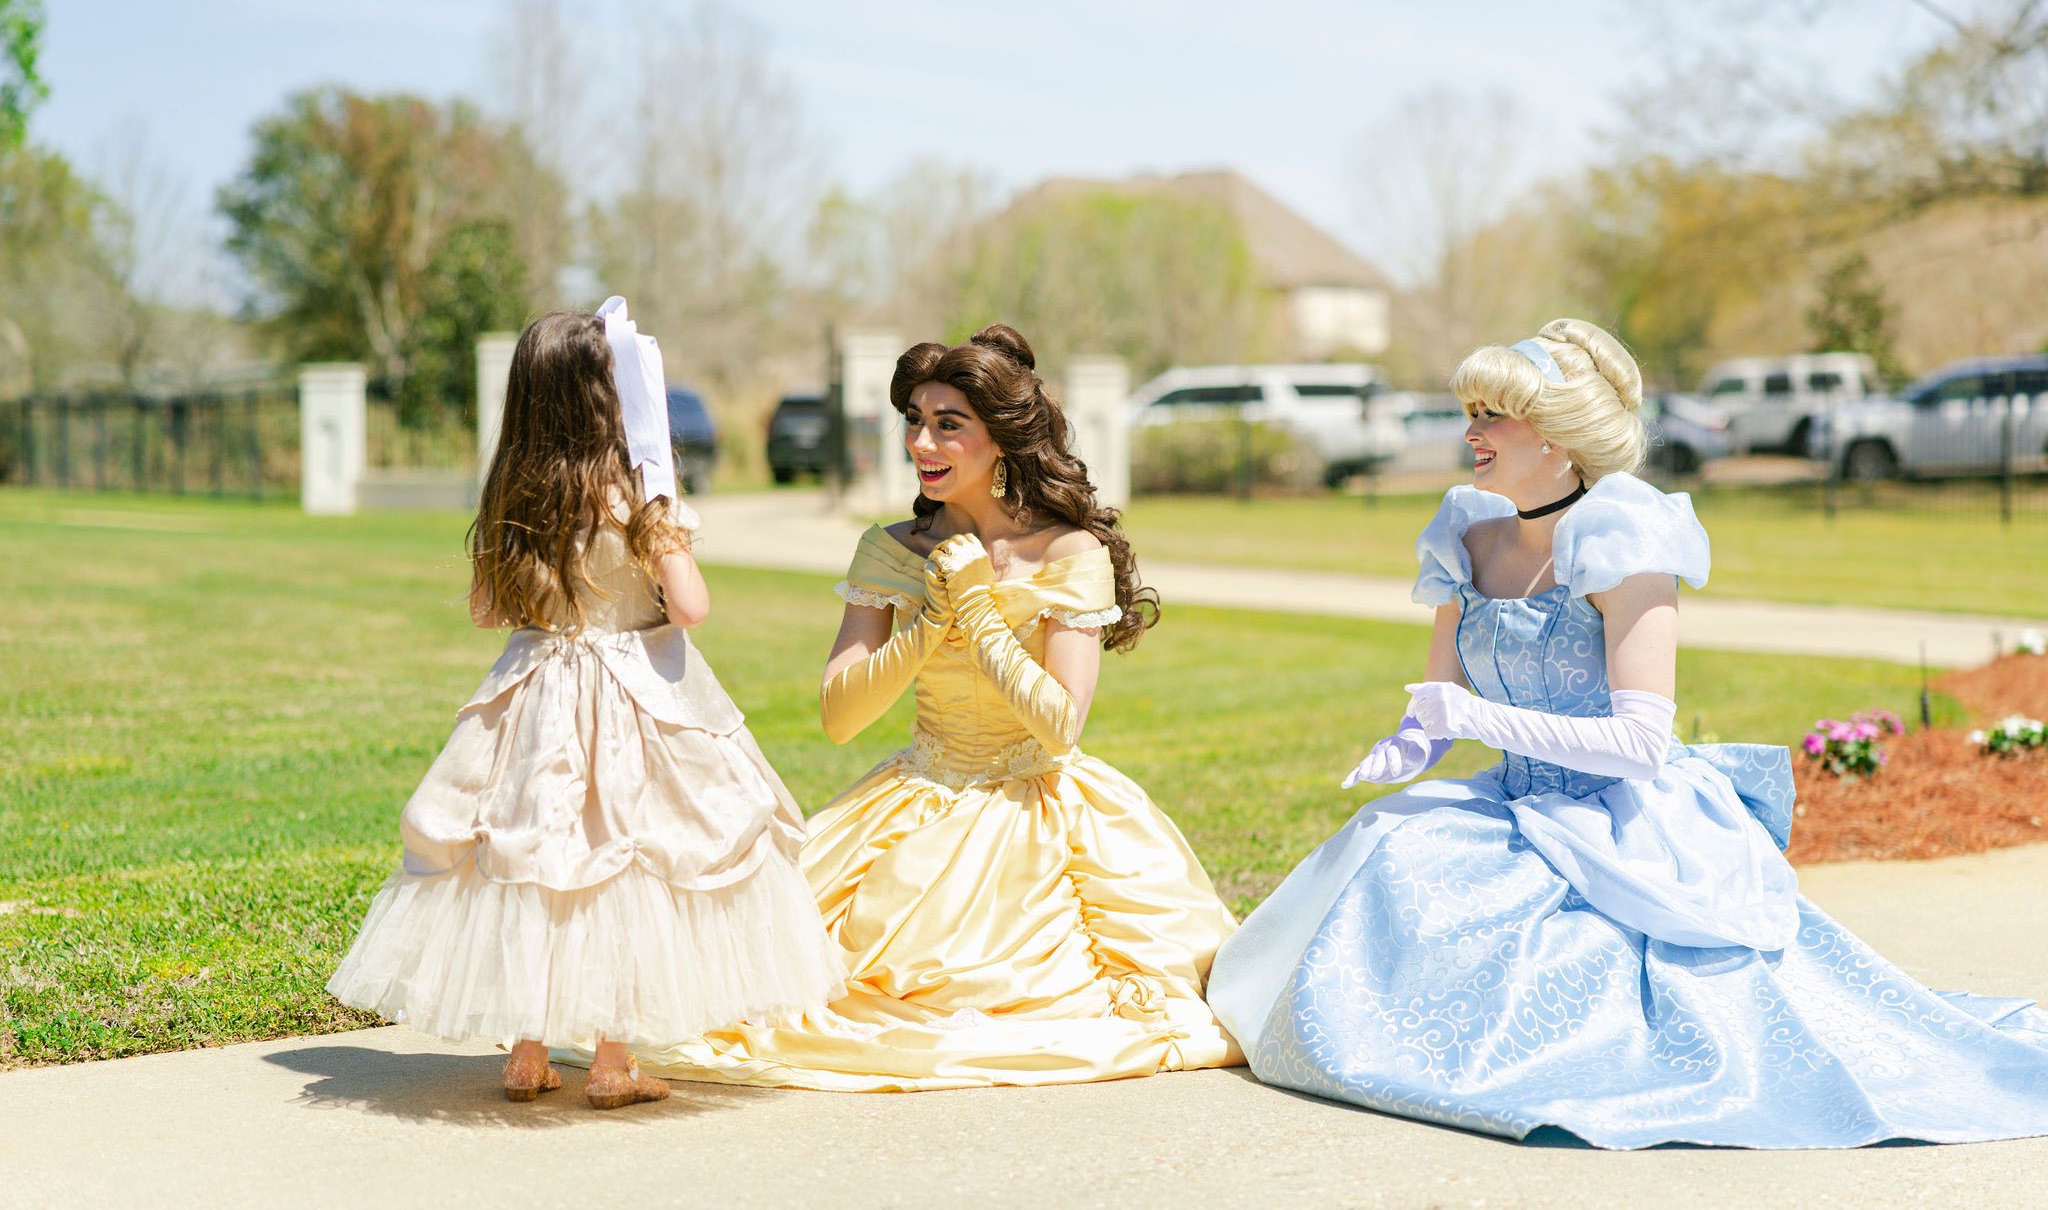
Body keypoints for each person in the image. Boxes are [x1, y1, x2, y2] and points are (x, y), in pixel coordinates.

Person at [1205, 317, 2048, 1149]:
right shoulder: (1468, 534)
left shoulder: (1624, 540)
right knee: (1392, 845)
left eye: (1492, 415)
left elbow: (1640, 746)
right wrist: (1411, 745)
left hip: (1622, 818)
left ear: (1556, 436)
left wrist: (1475, 719)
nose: (1471, 433)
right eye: (1471, 412)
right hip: (1516, 800)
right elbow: (1440, 696)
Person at [629, 325, 1241, 1090]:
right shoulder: (890, 549)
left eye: (949, 424)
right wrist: (928, 627)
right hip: (918, 793)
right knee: (783, 972)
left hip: (1036, 805)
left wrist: (981, 615)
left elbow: (1059, 728)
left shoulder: (1069, 552)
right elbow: (840, 717)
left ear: (1003, 438)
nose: (922, 442)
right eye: (915, 421)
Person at [328, 301, 841, 1109]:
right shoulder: (637, 499)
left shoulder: (514, 499)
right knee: (626, 858)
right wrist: (659, 542)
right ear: (609, 399)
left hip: (537, 693)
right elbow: (693, 606)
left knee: (540, 857)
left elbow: (487, 612)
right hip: (635, 695)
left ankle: (526, 1053)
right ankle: (611, 1062)